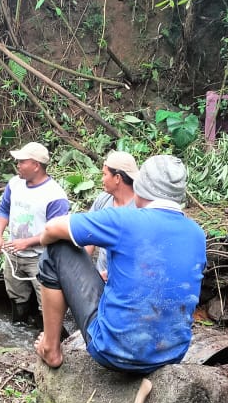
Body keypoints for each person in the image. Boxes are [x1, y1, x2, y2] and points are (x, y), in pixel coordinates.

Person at [34, 155, 206, 373]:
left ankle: (50, 347)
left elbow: (51, 229)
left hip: (113, 351)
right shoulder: (197, 234)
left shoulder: (123, 219)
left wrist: (42, 241)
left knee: (56, 248)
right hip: (172, 355)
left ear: (141, 188)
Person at [0, 142, 70, 324]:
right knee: (17, 296)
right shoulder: (14, 184)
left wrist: (27, 243)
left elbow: (57, 232)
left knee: (47, 304)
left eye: (22, 162)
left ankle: (50, 341)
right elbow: (3, 210)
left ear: (36, 165)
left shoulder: (55, 195)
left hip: (41, 258)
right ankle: (19, 327)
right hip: (14, 254)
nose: (17, 165)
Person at [85, 151, 138, 281]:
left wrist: (115, 275)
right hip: (100, 279)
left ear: (117, 178)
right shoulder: (103, 199)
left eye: (105, 174)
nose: (102, 179)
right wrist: (84, 271)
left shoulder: (140, 207)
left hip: (128, 281)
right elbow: (88, 235)